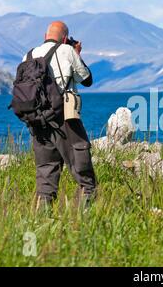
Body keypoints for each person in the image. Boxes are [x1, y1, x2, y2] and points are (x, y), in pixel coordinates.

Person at [25, 21, 97, 209]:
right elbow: (87, 79)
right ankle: (86, 217)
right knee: (82, 166)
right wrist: (77, 54)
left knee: (46, 172)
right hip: (64, 117)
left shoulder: (29, 55)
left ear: (44, 36)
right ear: (65, 38)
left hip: (37, 119)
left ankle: (42, 220)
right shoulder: (67, 51)